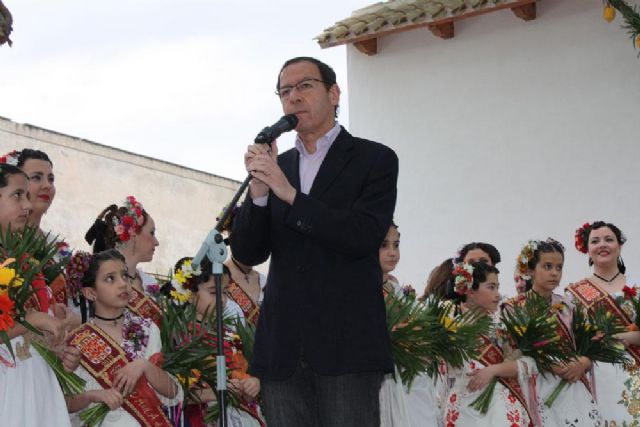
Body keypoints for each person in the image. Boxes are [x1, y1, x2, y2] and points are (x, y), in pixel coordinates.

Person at [231, 56, 399, 426]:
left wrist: (288, 194)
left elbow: (361, 235)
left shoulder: (375, 159)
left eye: (305, 86)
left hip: (346, 344)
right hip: (283, 347)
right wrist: (259, 193)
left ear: (334, 93)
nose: (294, 98)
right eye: (285, 91)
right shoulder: (280, 166)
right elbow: (247, 252)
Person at [65, 249, 182, 427]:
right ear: (90, 293)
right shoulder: (78, 341)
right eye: (110, 278)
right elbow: (63, 402)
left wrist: (145, 366)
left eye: (125, 276)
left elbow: (173, 393)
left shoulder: (148, 329)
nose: (123, 284)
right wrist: (93, 395)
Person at [0, 163, 75, 427]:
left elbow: (35, 332)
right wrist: (37, 321)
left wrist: (59, 351)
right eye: (17, 195)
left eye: (27, 197)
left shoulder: (29, 263)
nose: (27, 206)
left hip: (36, 381)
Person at [505, 239, 601, 426]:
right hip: (537, 385)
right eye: (547, 266)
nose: (554, 273)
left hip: (573, 384)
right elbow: (513, 354)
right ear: (530, 269)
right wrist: (551, 365)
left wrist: (583, 362)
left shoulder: (570, 306)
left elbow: (591, 344)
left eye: (559, 267)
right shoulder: (513, 308)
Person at [165, 257, 264, 427]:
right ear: (190, 294)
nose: (222, 298)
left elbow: (242, 375)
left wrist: (252, 385)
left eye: (225, 291)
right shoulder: (178, 336)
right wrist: (218, 391)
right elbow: (173, 394)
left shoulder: (229, 334)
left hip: (239, 414)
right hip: (203, 418)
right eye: (213, 292)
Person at [565, 221, 639, 425]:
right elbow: (570, 340)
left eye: (609, 239)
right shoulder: (573, 293)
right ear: (587, 250)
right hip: (596, 374)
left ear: (620, 246)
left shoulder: (637, 286)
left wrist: (631, 336)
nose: (602, 245)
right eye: (595, 241)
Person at [443, 262, 532, 426]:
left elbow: (526, 365)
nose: (498, 294)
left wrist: (492, 370)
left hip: (500, 406)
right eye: (491, 288)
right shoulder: (451, 326)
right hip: (464, 409)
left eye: (497, 287)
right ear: (470, 290)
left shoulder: (504, 324)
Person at [378, 222, 442, 427]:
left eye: (396, 245)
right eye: (384, 245)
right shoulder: (358, 292)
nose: (392, 253)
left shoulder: (400, 293)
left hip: (409, 382)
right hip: (379, 383)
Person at [85, 196, 162, 325]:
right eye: (152, 233)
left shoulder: (149, 283)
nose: (156, 242)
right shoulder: (97, 279)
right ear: (133, 234)